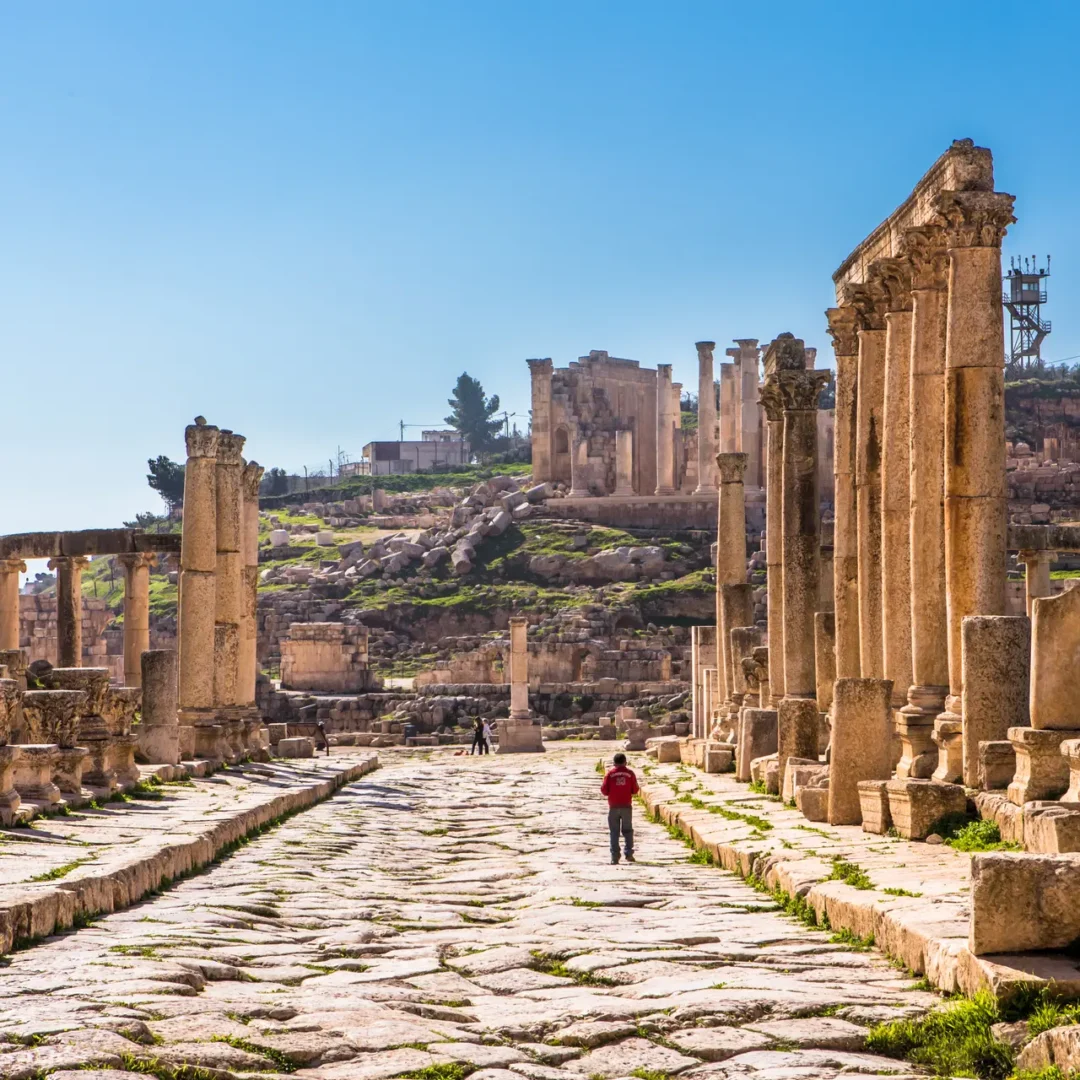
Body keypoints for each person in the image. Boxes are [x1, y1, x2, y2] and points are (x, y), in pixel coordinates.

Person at [600, 752, 639, 864]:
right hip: (626, 806)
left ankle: (614, 857)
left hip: (613, 807)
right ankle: (629, 853)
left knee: (614, 832)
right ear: (625, 762)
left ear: (614, 763)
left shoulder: (610, 774)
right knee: (628, 830)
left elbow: (604, 790)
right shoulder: (630, 774)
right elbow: (635, 790)